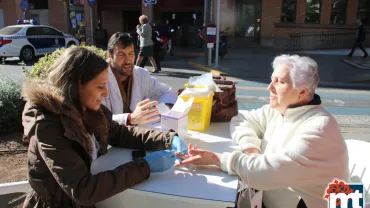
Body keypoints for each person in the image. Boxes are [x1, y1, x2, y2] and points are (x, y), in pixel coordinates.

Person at [21, 47, 187, 207]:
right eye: (100, 86)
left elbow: (120, 133)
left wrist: (169, 138)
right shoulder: (49, 126)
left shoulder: (89, 109)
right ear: (76, 86)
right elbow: (82, 190)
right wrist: (145, 166)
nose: (106, 93)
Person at [175, 55, 349, 208]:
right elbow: (242, 119)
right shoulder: (281, 109)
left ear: (302, 92)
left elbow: (263, 172)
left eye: (279, 82)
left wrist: (217, 159)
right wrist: (251, 147)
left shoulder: (319, 128)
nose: (269, 88)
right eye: (272, 79)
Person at [102, 32, 177, 126]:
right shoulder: (98, 79)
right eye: (121, 55)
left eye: (131, 54)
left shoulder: (141, 74)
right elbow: (97, 118)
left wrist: (161, 109)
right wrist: (130, 119)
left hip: (139, 134)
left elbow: (167, 92)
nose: (128, 60)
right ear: (109, 56)